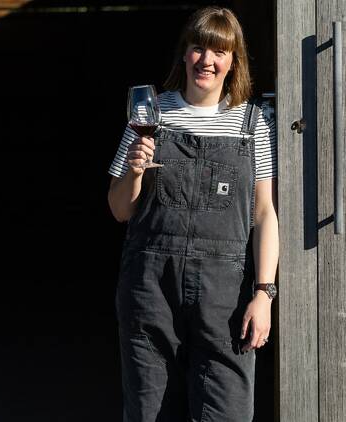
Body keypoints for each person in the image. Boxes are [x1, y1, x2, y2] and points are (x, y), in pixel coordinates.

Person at [107, 6, 278, 422]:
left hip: (224, 297)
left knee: (227, 411)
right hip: (151, 288)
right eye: (198, 48)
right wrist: (132, 172)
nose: (207, 60)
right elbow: (118, 210)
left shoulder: (251, 124)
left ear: (232, 61)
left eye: (219, 52)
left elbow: (264, 214)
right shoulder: (149, 115)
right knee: (149, 412)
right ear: (184, 54)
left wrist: (264, 293)